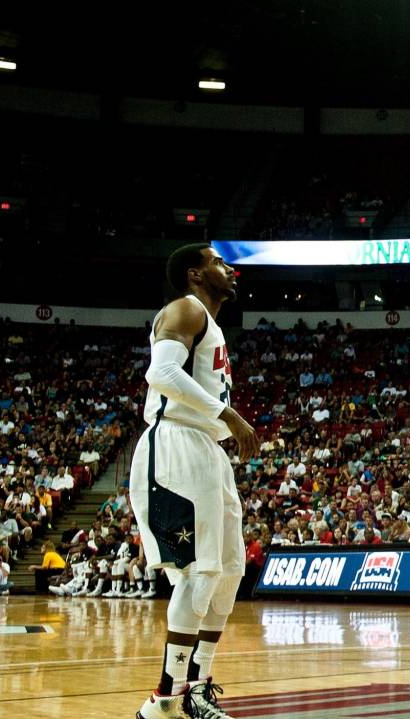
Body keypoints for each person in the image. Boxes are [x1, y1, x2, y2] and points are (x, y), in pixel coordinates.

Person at [131, 243, 259, 719]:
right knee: (197, 573)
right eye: (218, 263)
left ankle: (198, 686)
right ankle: (166, 698)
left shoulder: (213, 322)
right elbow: (161, 372)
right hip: (175, 445)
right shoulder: (184, 308)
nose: (230, 269)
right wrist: (227, 412)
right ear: (195, 274)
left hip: (207, 450)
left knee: (228, 572)